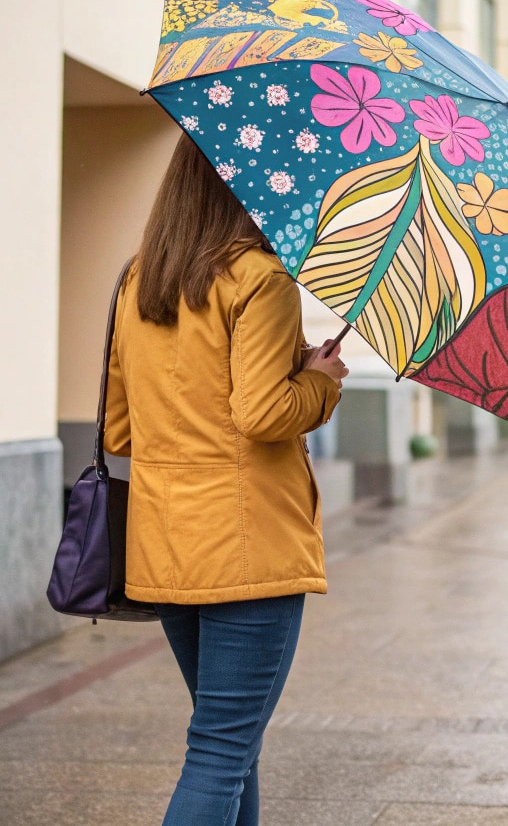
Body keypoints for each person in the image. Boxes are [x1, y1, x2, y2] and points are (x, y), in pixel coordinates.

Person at [104, 134, 348, 826]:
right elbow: (265, 413)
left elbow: (121, 431)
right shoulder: (261, 280)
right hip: (248, 552)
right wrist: (319, 382)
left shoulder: (138, 279)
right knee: (220, 752)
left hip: (166, 547)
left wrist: (287, 365)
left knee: (231, 747)